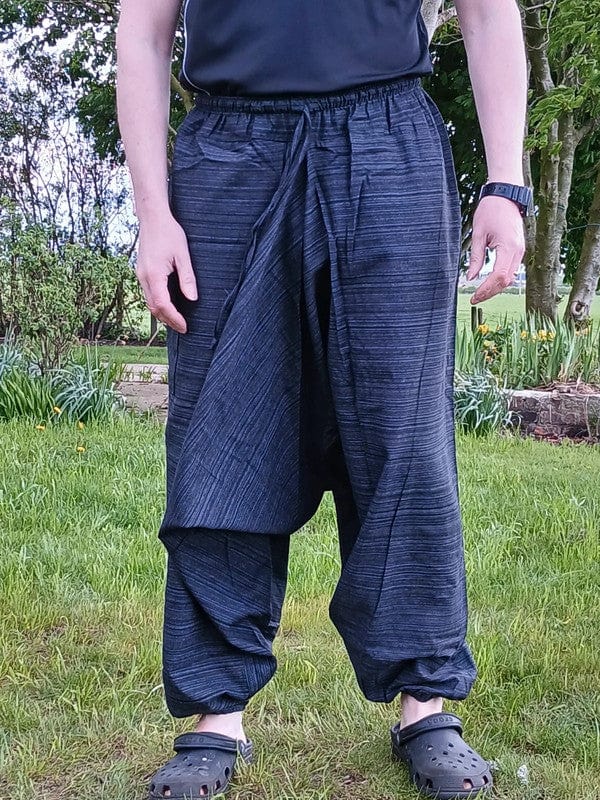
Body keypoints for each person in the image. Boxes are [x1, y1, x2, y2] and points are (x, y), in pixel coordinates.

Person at [116, 2, 529, 798]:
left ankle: (424, 703)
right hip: (229, 150)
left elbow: (486, 10)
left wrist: (505, 183)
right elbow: (142, 31)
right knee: (218, 426)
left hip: (390, 139)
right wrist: (152, 214)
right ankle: (215, 712)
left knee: (402, 435)